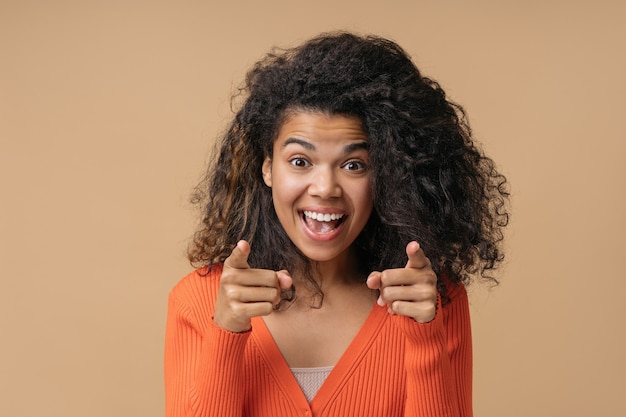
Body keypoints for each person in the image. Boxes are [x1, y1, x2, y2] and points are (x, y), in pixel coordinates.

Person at [164, 32, 509, 417]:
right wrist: (226, 333)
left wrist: (425, 336)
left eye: (353, 165)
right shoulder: (198, 301)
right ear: (267, 167)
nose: (325, 188)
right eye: (300, 161)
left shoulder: (432, 299)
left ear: (388, 175)